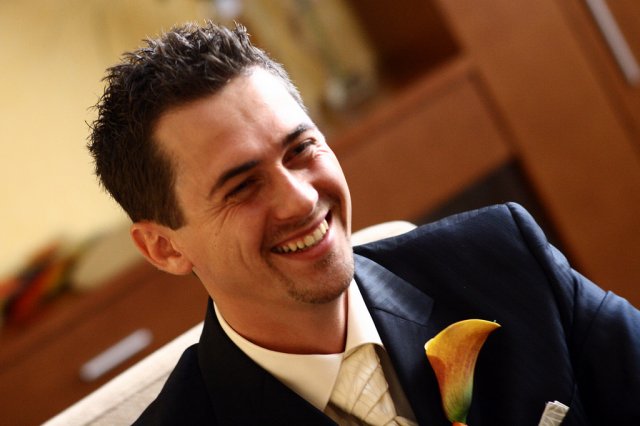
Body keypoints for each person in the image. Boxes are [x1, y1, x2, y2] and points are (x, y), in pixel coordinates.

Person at [88, 21, 640, 425]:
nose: (302, 200)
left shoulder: (504, 257)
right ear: (163, 248)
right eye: (242, 186)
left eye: (301, 149)